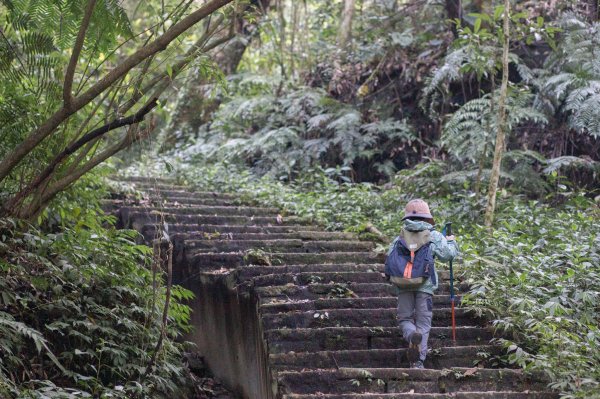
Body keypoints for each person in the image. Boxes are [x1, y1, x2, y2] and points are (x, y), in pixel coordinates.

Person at [384, 199, 458, 369]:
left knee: (404, 318)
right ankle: (417, 362)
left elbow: (390, 259)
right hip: (425, 286)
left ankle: (411, 335)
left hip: (403, 286)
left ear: (407, 217)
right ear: (427, 217)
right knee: (423, 324)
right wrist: (452, 241)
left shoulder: (400, 237)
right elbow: (448, 255)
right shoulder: (433, 235)